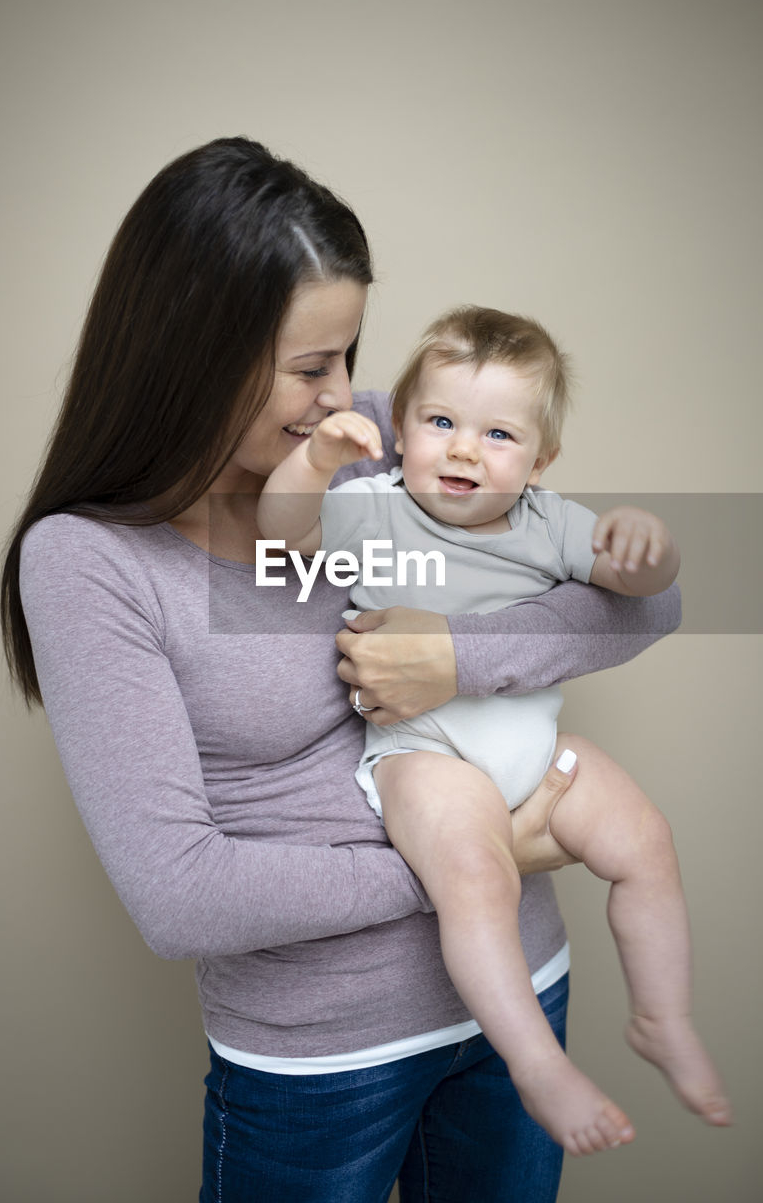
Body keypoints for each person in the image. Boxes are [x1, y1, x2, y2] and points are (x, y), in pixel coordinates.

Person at [0, 138, 684, 1201]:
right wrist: (483, 854)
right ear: (198, 353)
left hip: (516, 997)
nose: (345, 397)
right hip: (319, 1063)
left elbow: (652, 595)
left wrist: (456, 655)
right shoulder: (91, 562)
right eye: (312, 366)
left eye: (350, 354)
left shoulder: (366, 478)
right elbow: (182, 896)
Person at [258, 304, 731, 1155]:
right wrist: (316, 458)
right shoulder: (377, 507)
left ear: (541, 460)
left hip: (533, 748)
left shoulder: (549, 522)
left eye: (499, 435)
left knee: (646, 842)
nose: (465, 449)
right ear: (399, 429)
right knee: (477, 881)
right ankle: (534, 1062)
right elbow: (279, 531)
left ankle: (662, 1018)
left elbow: (641, 587)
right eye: (439, 422)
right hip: (425, 752)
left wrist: (646, 546)